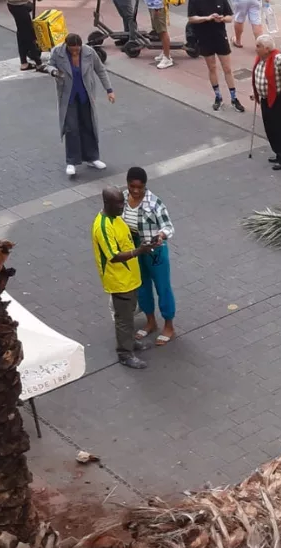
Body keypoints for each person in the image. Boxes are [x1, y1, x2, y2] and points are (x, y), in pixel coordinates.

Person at [93, 187, 158, 369]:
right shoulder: (103, 226)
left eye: (122, 202)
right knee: (124, 318)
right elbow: (113, 255)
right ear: (107, 204)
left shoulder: (117, 218)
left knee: (129, 314)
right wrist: (139, 251)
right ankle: (125, 353)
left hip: (130, 276)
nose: (123, 206)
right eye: (118, 203)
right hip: (119, 281)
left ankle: (130, 343)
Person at [45, 34, 115, 176]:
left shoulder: (89, 52)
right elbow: (49, 65)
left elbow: (100, 70)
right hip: (68, 96)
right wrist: (53, 71)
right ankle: (72, 161)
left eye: (78, 49)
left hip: (85, 95)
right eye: (73, 50)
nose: (76, 52)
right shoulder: (57, 52)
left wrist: (109, 90)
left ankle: (92, 157)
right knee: (71, 127)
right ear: (67, 46)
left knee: (88, 125)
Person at [122, 167, 178, 345]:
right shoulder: (122, 198)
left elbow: (168, 226)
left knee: (163, 288)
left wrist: (160, 236)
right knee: (142, 287)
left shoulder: (154, 203)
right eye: (132, 187)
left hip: (155, 251)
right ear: (127, 184)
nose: (136, 191)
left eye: (141, 187)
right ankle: (150, 322)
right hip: (135, 250)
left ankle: (168, 325)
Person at [188, 0, 245, 111]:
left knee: (227, 68)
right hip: (204, 37)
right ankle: (218, 97)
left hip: (220, 36)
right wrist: (207, 18)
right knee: (212, 67)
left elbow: (229, 17)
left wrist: (222, 19)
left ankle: (234, 98)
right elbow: (191, 18)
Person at [251, 35, 281, 170]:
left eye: (258, 46)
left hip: (279, 98)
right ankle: (278, 153)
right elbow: (259, 77)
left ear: (267, 49)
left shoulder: (276, 58)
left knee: (280, 127)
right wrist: (257, 92)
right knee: (269, 127)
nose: (256, 48)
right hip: (265, 98)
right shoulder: (261, 59)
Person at [7, 1, 42, 71]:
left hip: (14, 5)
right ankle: (38, 63)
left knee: (21, 32)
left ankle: (24, 62)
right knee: (28, 34)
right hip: (19, 6)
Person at [146, 0, 175, 69]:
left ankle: (167, 58)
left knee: (162, 31)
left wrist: (157, 7)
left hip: (158, 6)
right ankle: (165, 52)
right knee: (158, 30)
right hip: (152, 4)